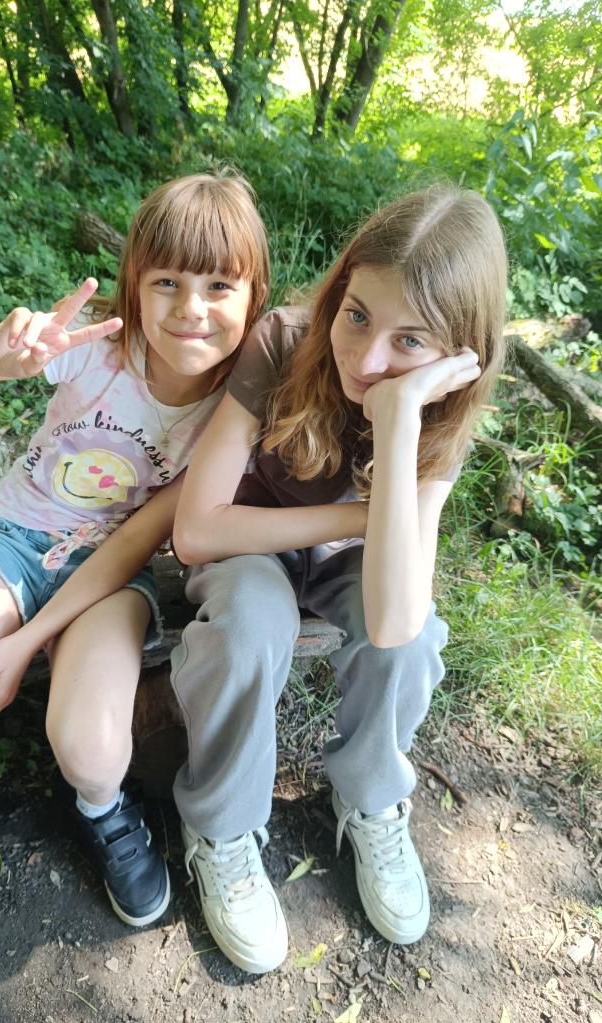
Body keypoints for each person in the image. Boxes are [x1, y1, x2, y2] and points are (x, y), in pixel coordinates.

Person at [0, 171, 269, 942]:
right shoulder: (95, 349)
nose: (191, 308)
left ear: (254, 296)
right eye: (167, 282)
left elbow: (135, 540)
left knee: (93, 750)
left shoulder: (231, 414)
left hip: (113, 573)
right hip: (11, 538)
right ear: (134, 284)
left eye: (219, 285)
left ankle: (103, 809)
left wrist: (25, 643)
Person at [168, 185, 508, 973]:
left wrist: (401, 419)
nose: (368, 359)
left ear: (459, 353)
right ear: (339, 292)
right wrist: (362, 516)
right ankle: (221, 826)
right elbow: (197, 530)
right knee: (250, 623)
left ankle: (371, 797)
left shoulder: (443, 413)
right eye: (357, 315)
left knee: (411, 641)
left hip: (352, 566)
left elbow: (392, 620)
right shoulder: (285, 344)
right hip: (251, 543)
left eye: (410, 341)